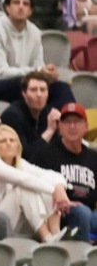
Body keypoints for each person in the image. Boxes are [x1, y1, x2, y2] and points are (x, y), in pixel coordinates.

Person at [0, 0, 76, 106]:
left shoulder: (35, 31)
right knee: (31, 88)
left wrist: (48, 74)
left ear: (30, 11)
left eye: (26, 4)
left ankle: (60, 121)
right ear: (7, 8)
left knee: (61, 88)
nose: (21, 7)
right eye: (16, 2)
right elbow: (1, 73)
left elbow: (38, 66)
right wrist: (37, 71)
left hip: (21, 80)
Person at [0, 123, 69, 242]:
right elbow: (21, 179)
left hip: (19, 219)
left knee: (47, 187)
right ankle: (47, 237)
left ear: (18, 145)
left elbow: (51, 175)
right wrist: (54, 191)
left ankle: (55, 233)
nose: (8, 143)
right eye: (3, 141)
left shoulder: (20, 163)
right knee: (24, 188)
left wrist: (59, 188)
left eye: (12, 140)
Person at [31, 102, 97, 241]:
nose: (72, 126)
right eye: (67, 122)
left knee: (86, 213)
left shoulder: (93, 157)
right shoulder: (46, 153)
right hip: (58, 214)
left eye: (77, 121)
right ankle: (81, 260)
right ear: (59, 127)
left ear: (86, 127)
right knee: (82, 213)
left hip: (90, 213)